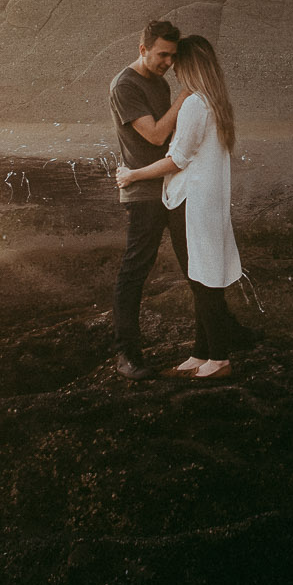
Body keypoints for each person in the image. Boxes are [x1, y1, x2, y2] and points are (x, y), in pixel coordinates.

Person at [116, 34, 258, 379]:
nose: (173, 69)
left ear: (189, 66)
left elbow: (177, 159)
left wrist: (132, 175)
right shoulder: (216, 102)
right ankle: (201, 352)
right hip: (208, 199)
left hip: (190, 201)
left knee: (203, 277)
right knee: (202, 273)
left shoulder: (195, 104)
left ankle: (218, 360)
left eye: (177, 63)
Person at [107, 19, 189, 380]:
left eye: (172, 56)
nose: (168, 63)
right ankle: (125, 353)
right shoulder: (125, 84)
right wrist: (186, 97)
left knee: (194, 259)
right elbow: (156, 135)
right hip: (142, 191)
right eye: (161, 55)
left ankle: (222, 331)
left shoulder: (159, 81)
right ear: (142, 49)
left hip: (169, 183)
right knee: (136, 268)